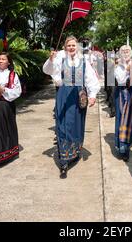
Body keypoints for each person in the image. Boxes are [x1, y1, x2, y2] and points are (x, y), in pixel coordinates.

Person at [43, 36, 100, 178]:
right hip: (63, 94)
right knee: (62, 124)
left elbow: (91, 78)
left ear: (77, 46)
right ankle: (63, 159)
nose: (71, 48)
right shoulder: (59, 59)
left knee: (76, 124)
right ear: (65, 47)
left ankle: (74, 152)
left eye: (73, 45)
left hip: (79, 95)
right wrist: (50, 59)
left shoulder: (83, 61)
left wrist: (92, 95)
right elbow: (47, 70)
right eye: (69, 45)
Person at [114, 45, 132, 162]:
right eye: (123, 51)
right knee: (122, 121)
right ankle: (123, 149)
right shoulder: (117, 65)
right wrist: (127, 70)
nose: (126, 53)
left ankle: (128, 143)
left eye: (128, 51)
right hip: (121, 95)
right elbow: (120, 80)